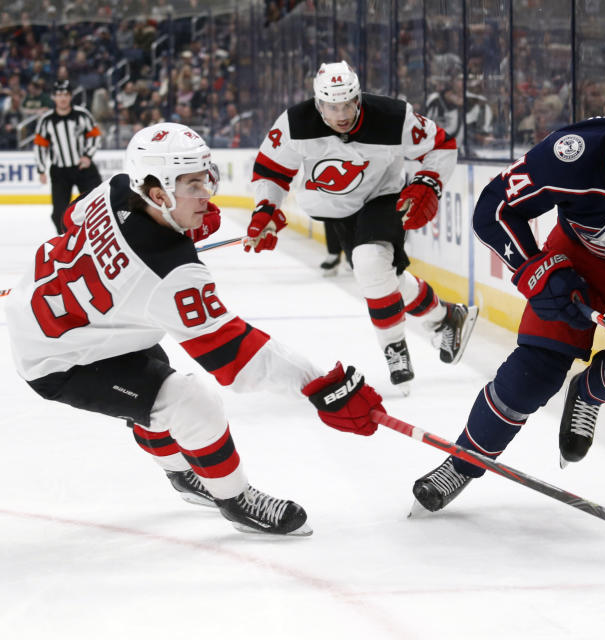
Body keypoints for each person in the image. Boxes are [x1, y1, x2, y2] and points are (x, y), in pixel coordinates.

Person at [4, 122, 385, 536]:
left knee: (153, 389)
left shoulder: (116, 187)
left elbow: (70, 217)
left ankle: (184, 476)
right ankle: (236, 499)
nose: (206, 192)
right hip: (58, 360)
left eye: (205, 179)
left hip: (65, 317)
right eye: (192, 184)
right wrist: (316, 383)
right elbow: (235, 357)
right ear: (157, 194)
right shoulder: (172, 273)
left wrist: (171, 228)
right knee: (190, 402)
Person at [411, 73, 605, 512]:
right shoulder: (569, 154)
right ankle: (462, 463)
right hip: (578, 258)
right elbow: (494, 209)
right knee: (529, 378)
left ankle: (588, 393)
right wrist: (537, 270)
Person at [244, 60, 479, 394]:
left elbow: (440, 146)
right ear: (318, 103)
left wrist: (428, 183)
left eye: (347, 104)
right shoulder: (295, 123)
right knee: (383, 277)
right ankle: (446, 316)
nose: (341, 114)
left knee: (370, 264)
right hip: (337, 210)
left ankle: (395, 349)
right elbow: (270, 171)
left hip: (383, 197)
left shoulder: (392, 116)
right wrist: (265, 209)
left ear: (358, 99)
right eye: (331, 106)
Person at [33, 79, 103, 234]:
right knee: (59, 212)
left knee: (97, 203)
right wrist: (41, 169)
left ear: (70, 96)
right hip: (60, 171)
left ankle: (97, 236)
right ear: (53, 97)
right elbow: (40, 146)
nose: (62, 98)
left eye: (65, 94)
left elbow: (95, 136)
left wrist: (88, 156)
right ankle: (66, 241)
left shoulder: (82, 115)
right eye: (59, 94)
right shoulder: (46, 121)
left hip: (83, 168)